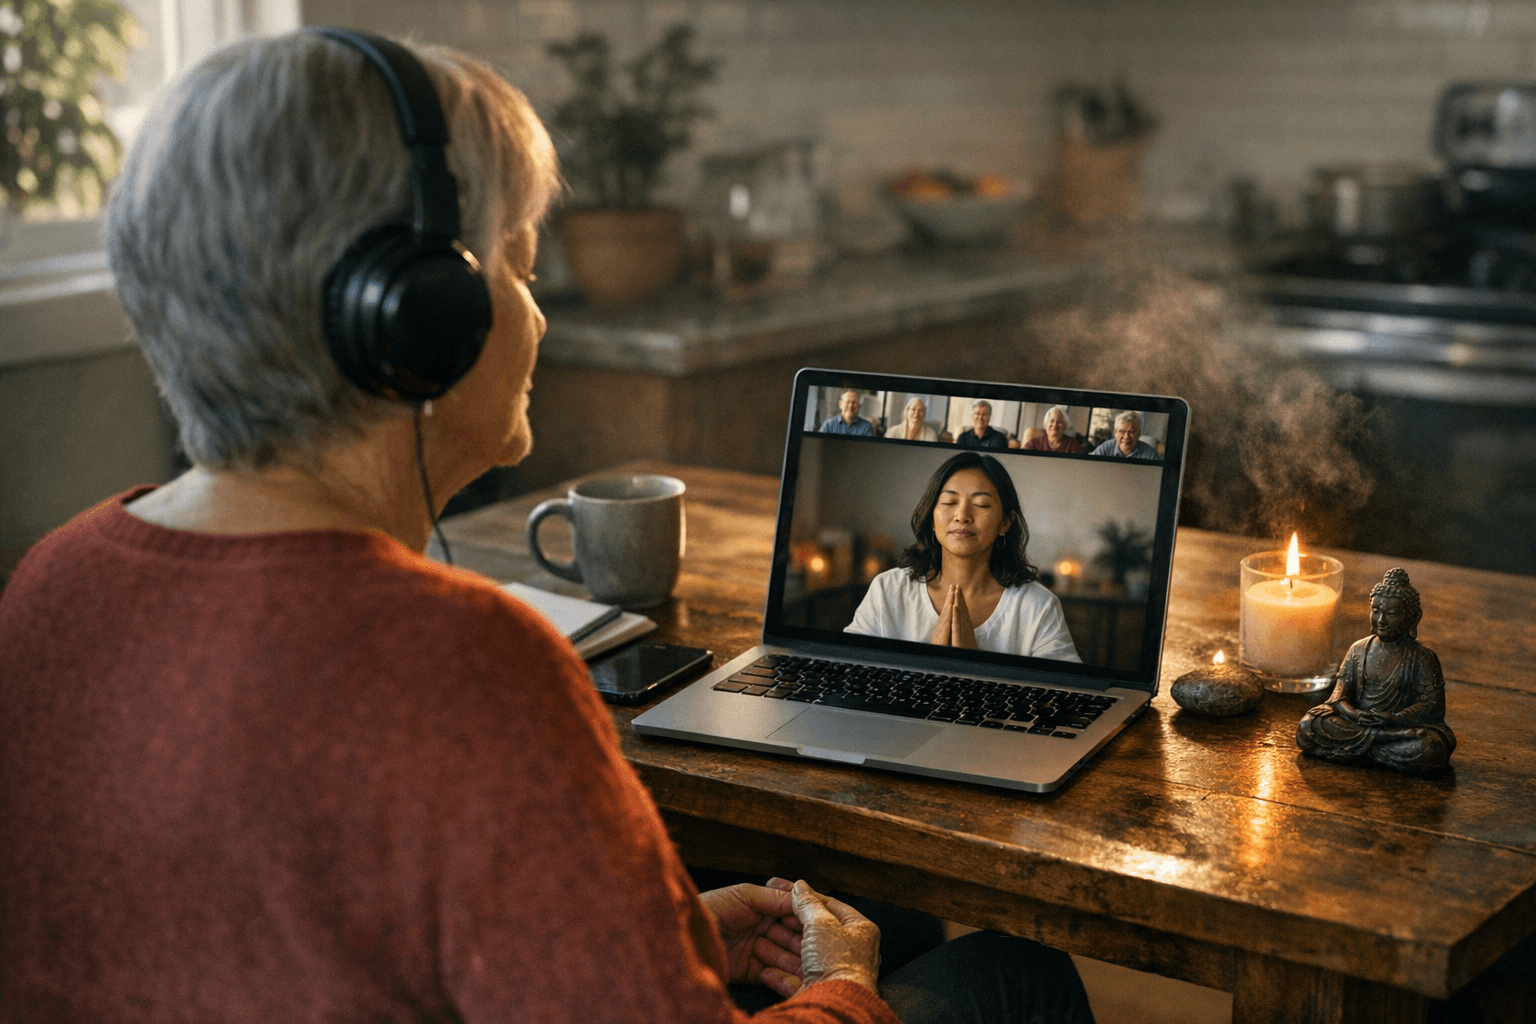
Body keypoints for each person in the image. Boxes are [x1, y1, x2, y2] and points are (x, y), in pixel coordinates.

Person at [0, 30, 1095, 1024]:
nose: (535, 308)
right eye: (519, 264)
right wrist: (846, 990)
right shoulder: (471, 666)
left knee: (892, 920)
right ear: (419, 319)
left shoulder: (51, 583)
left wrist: (643, 939)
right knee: (1012, 975)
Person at [847, 452, 1080, 660]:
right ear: (932, 516)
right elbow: (848, 673)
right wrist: (928, 663)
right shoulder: (888, 591)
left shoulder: (1037, 606)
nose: (962, 515)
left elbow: (1063, 699)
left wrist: (975, 665)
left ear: (1005, 522)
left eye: (981, 504)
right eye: (949, 501)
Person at [1296, 568, 1456, 773]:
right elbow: (1338, 698)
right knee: (1309, 725)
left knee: (1431, 747)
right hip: (1362, 724)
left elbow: (1432, 706)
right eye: (1376, 610)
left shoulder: (1422, 657)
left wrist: (1394, 718)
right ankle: (1382, 744)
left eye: (1391, 614)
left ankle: (1366, 748)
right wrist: (1355, 714)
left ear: (1413, 617)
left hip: (1399, 726)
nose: (1381, 620)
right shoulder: (1358, 649)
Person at [1089, 410, 1159, 460]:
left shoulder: (1151, 455)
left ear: (1139, 433)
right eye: (1122, 431)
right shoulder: (1105, 448)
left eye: (1131, 432)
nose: (1126, 437)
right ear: (1115, 432)